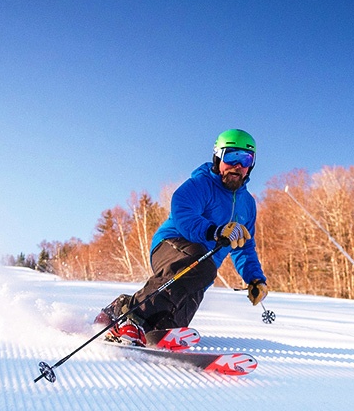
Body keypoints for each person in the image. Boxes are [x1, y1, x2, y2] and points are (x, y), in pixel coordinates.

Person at [96, 128, 268, 346]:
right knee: (201, 264)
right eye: (232, 156)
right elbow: (183, 213)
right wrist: (214, 231)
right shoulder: (201, 184)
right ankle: (129, 317)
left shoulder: (248, 205)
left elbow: (244, 247)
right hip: (173, 247)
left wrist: (255, 279)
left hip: (202, 271)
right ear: (218, 157)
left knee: (173, 323)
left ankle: (135, 320)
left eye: (245, 159)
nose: (238, 165)